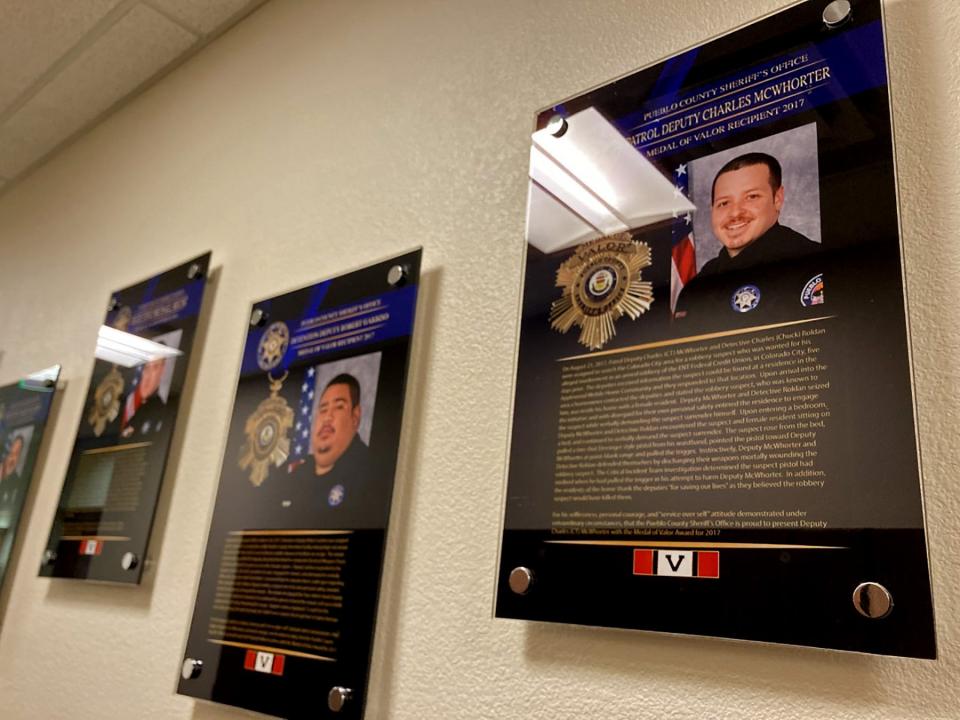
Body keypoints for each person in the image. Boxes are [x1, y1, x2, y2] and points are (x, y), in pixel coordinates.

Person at [675, 152, 820, 325]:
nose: (735, 213)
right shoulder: (697, 287)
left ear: (778, 199)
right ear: (712, 209)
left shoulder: (812, 264)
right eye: (724, 203)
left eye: (751, 197)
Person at [278, 373, 384, 527]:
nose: (327, 417)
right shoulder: (296, 473)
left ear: (355, 417)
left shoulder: (372, 474)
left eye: (339, 407)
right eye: (323, 409)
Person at [121, 355, 169, 436]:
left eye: (155, 367)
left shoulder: (161, 411)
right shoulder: (125, 402)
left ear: (162, 370)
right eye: (146, 368)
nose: (148, 374)